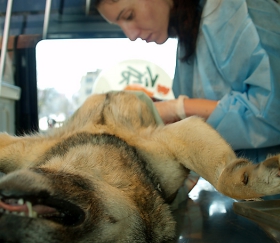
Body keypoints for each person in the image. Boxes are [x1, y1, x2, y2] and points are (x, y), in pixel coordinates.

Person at [95, 0, 280, 163]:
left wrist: (178, 108)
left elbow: (273, 113)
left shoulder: (233, 9)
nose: (131, 34)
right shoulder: (190, 35)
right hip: (253, 193)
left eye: (129, 15)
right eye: (119, 24)